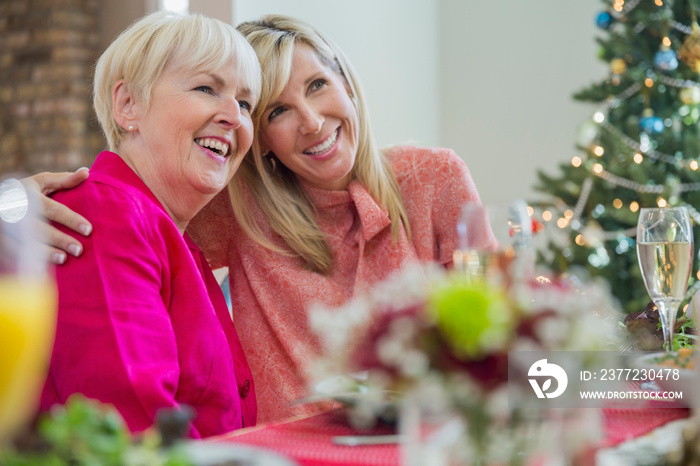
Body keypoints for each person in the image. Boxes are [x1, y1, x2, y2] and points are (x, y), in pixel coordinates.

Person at [30, 14, 494, 424]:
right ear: (263, 141)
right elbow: (123, 205)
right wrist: (14, 209)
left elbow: (507, 330)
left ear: (347, 84)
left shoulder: (433, 177)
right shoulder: (234, 208)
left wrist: (563, 402)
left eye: (317, 84)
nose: (311, 122)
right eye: (276, 110)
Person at [34, 11, 261, 437]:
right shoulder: (102, 211)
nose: (235, 116)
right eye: (206, 88)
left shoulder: (167, 232)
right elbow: (133, 423)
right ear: (128, 105)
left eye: (246, 103)